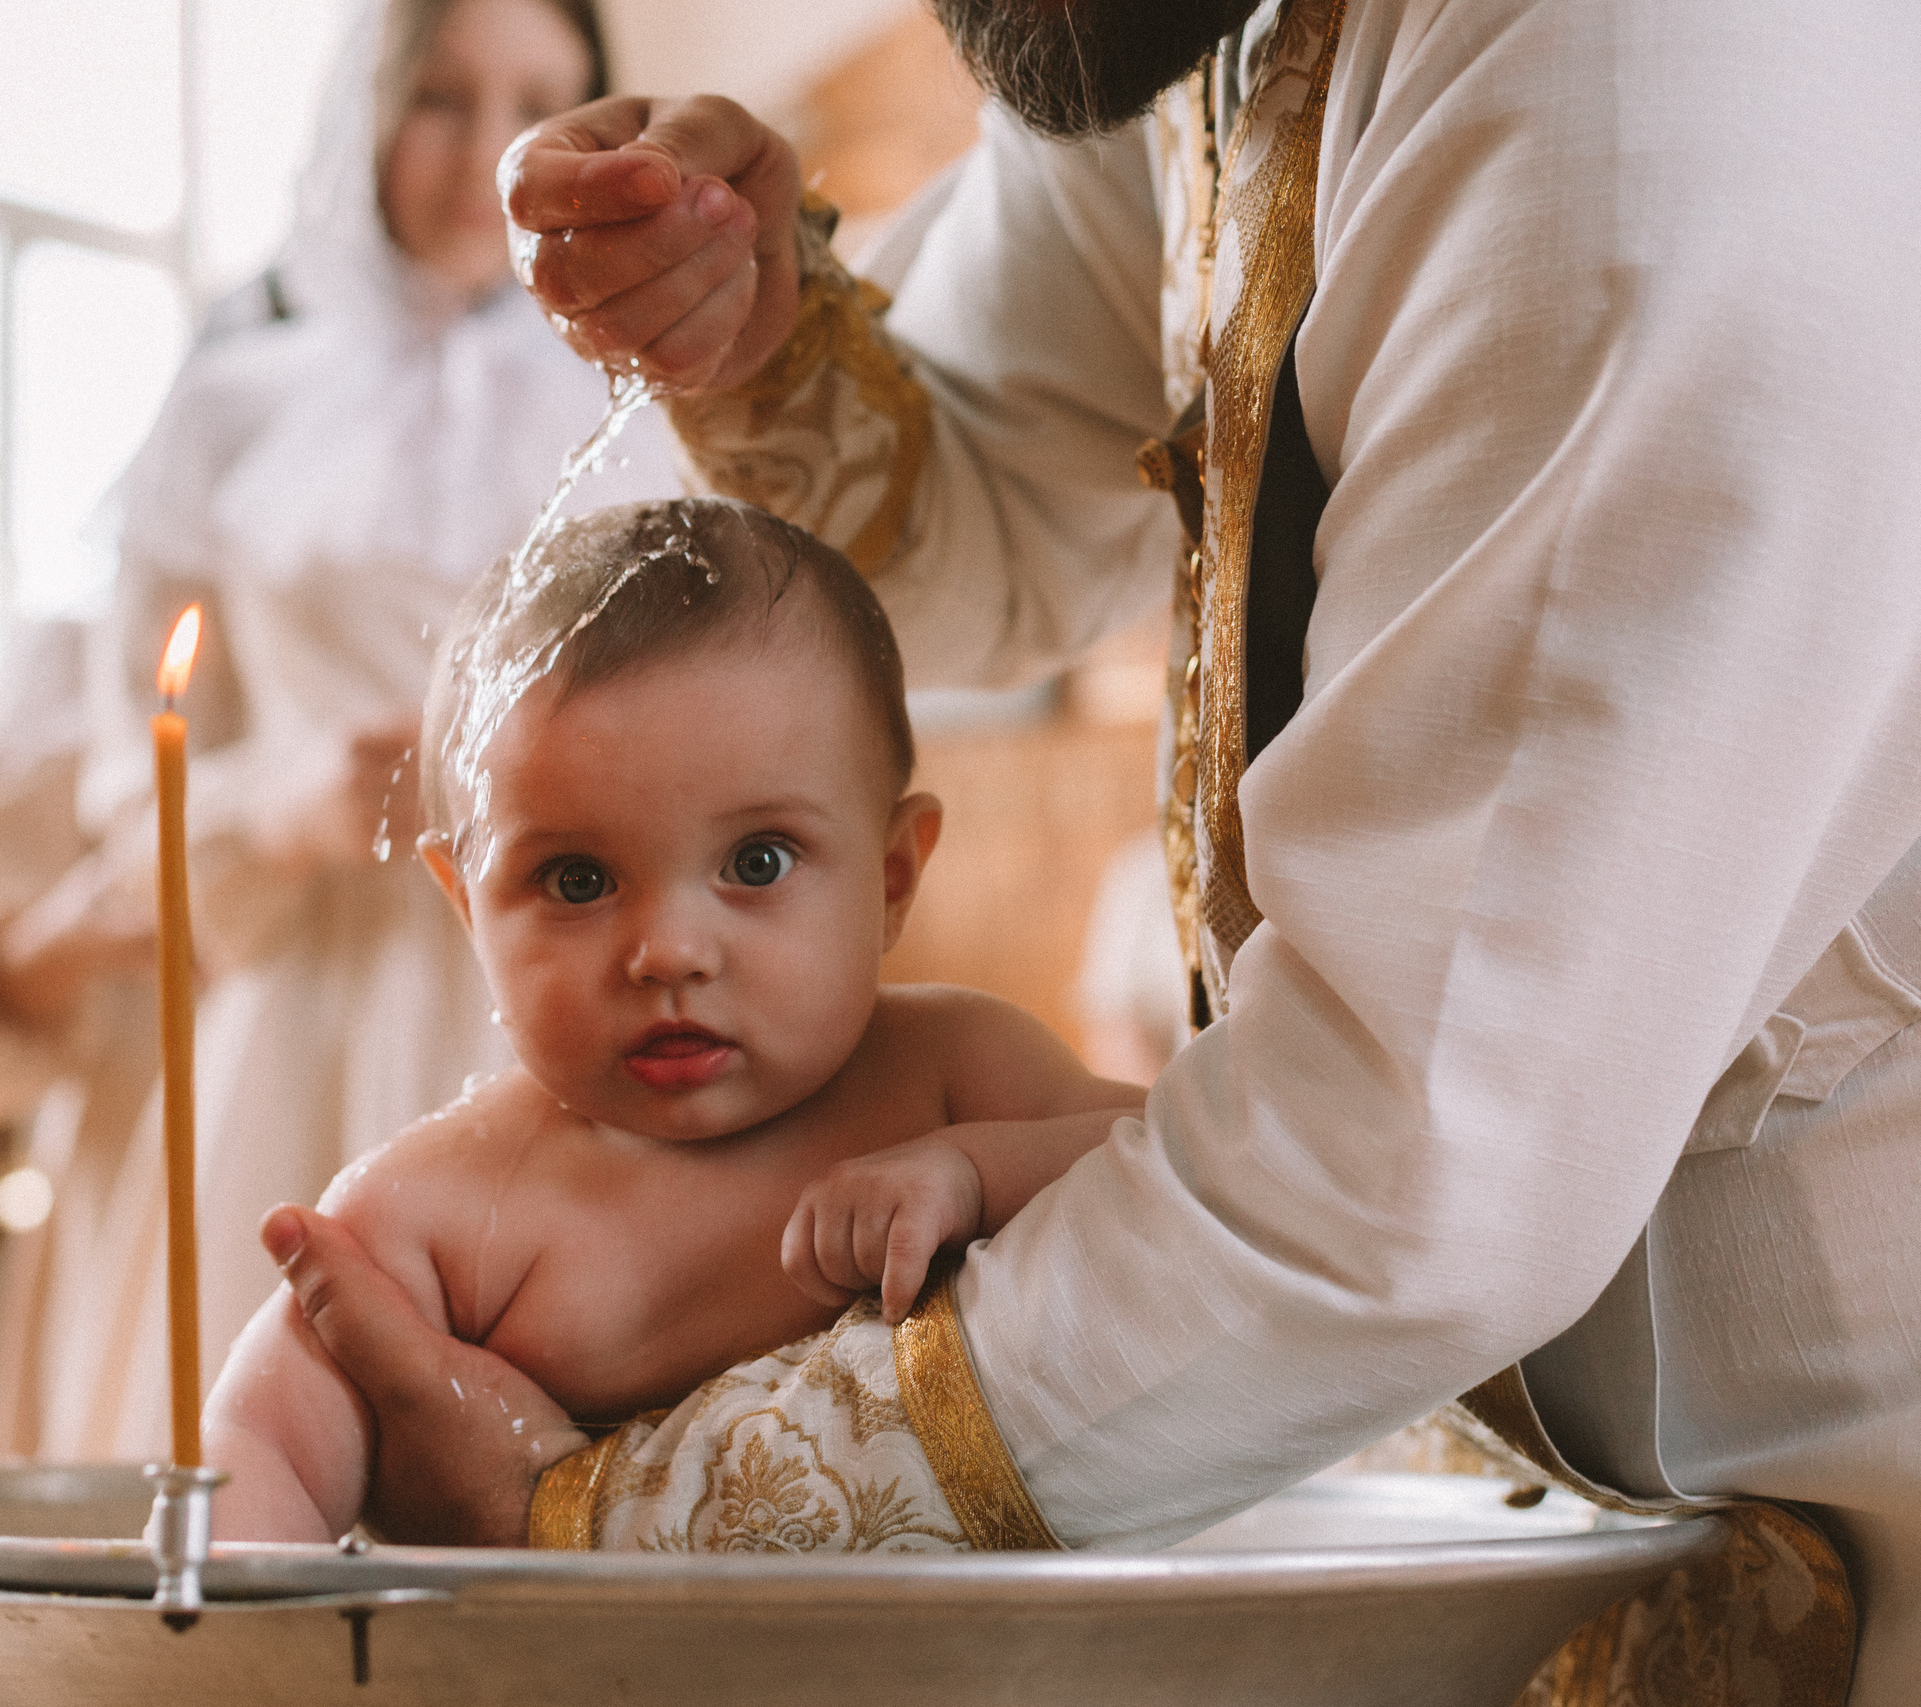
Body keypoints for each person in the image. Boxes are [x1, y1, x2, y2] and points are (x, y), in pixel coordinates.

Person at [255, 0, 1921, 1697]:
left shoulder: (1637, 87)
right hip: (1511, 1492)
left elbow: (1399, 1171)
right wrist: (765, 344)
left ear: (903, 867)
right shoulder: (1169, 21)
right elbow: (1004, 486)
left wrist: (593, 1527)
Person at [0, 0, 676, 1462]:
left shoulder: (639, 410)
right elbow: (134, 757)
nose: (491, 151)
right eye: (442, 97)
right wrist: (281, 803)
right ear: (363, 111)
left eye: (541, 101)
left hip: (551, 983)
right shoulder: (232, 405)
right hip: (299, 966)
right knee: (250, 1419)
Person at [202, 498, 1141, 1542]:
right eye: (575, 878)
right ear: (467, 905)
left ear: (890, 877)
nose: (668, 952)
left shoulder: (956, 1078)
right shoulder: (429, 1219)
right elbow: (264, 1452)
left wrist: (975, 1171)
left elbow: (1167, 1164)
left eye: (757, 863)